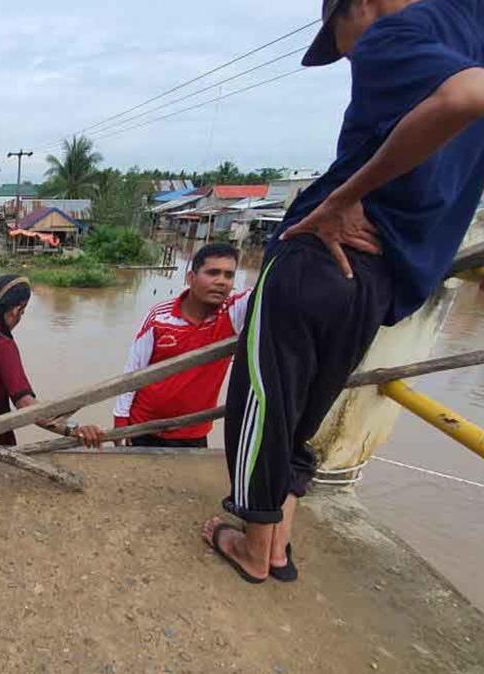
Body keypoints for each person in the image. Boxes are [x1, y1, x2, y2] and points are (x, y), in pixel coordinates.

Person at [203, 0, 484, 584]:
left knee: (263, 403)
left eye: (339, 37)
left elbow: (464, 97)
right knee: (305, 411)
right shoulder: (470, 25)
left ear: (356, 6)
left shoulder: (392, 34)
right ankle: (277, 544)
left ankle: (251, 548)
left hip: (319, 255)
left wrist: (337, 199)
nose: (349, 54)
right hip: (380, 279)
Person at [0, 274, 105, 447]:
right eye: (23, 312)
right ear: (16, 310)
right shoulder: (2, 346)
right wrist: (74, 429)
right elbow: (28, 408)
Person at [113, 243, 250, 448]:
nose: (221, 281)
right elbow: (134, 368)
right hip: (143, 425)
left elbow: (272, 287)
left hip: (192, 429)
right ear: (191, 278)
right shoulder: (160, 317)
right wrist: (121, 419)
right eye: (213, 273)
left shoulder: (233, 314)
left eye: (229, 275)